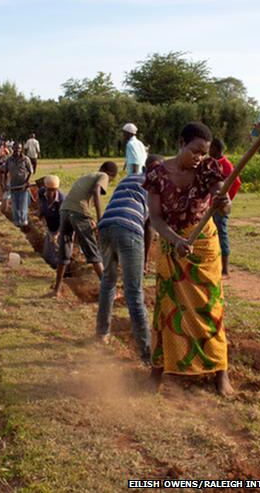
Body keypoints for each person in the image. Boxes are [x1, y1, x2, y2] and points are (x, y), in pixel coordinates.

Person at [144, 121, 233, 396]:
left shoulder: (207, 169)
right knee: (167, 311)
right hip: (173, 247)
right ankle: (157, 372)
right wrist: (176, 240)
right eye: (195, 151)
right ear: (181, 143)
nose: (199, 158)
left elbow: (224, 198)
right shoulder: (158, 174)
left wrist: (223, 202)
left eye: (203, 152)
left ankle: (221, 373)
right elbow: (155, 218)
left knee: (210, 308)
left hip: (204, 246)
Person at [96, 154, 162, 365]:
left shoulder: (128, 179)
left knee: (108, 282)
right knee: (134, 292)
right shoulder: (155, 186)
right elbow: (149, 227)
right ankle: (147, 355)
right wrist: (143, 263)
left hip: (105, 227)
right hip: (128, 231)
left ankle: (102, 334)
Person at [53, 161, 118, 298]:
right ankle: (111, 292)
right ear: (111, 174)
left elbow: (83, 199)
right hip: (78, 212)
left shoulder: (87, 176)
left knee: (64, 252)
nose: (109, 182)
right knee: (93, 252)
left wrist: (90, 218)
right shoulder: (103, 176)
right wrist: (100, 219)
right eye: (111, 180)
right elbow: (96, 191)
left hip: (65, 210)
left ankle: (57, 290)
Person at [209, 138, 242, 276]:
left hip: (220, 206)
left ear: (216, 149)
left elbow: (236, 183)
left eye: (210, 148)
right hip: (210, 205)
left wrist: (227, 200)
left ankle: (224, 269)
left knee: (221, 234)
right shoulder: (212, 163)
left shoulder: (225, 165)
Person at [2, 142, 33, 228]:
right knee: (15, 207)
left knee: (23, 207)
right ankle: (16, 223)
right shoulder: (9, 160)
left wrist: (26, 182)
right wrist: (4, 184)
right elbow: (5, 172)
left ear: (21, 149)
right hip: (13, 186)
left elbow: (30, 172)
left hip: (23, 187)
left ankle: (24, 223)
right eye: (15, 148)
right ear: (13, 149)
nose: (17, 150)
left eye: (19, 148)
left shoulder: (25, 159)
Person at [38, 175, 65, 269]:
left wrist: (57, 234)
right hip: (50, 223)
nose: (51, 192)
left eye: (53, 190)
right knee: (47, 252)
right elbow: (41, 203)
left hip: (61, 225)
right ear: (45, 188)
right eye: (49, 189)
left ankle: (56, 268)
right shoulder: (41, 192)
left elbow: (64, 219)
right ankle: (47, 264)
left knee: (56, 249)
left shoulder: (62, 200)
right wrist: (41, 213)